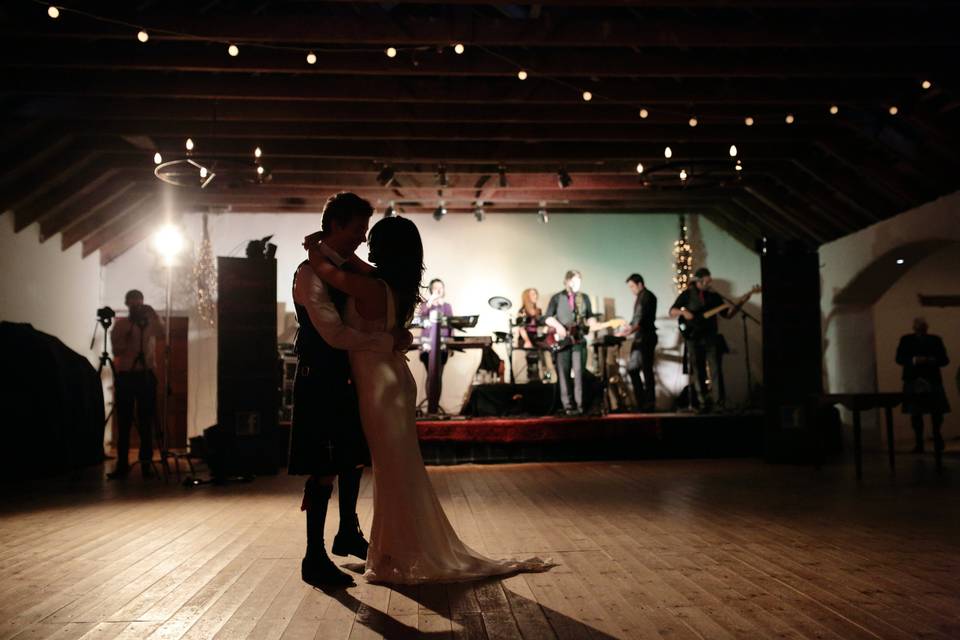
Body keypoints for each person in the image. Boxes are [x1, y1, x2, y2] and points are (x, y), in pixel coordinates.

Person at [305, 215, 551, 584]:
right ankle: (390, 551)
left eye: (373, 242)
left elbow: (332, 274)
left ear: (385, 249)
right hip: (389, 379)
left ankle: (400, 552)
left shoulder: (371, 287)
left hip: (380, 385)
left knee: (393, 472)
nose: (367, 248)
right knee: (394, 470)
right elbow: (356, 268)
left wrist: (315, 249)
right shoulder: (394, 283)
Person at [289, 192, 412, 588]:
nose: (362, 237)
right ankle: (314, 556)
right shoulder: (310, 274)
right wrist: (388, 341)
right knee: (324, 468)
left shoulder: (340, 267)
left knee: (352, 458)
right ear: (336, 224)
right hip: (320, 379)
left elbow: (358, 276)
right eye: (358, 228)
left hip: (347, 378)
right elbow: (334, 333)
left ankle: (346, 532)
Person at [107, 289, 165, 479]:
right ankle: (122, 463)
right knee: (124, 421)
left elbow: (163, 332)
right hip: (126, 374)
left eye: (139, 304)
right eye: (133, 304)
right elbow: (116, 350)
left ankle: (147, 464)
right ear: (127, 305)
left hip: (146, 374)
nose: (136, 307)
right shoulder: (121, 325)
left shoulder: (149, 324)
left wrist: (154, 314)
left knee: (146, 420)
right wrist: (129, 336)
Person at [669, 268, 731, 412]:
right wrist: (683, 311)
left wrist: (742, 301)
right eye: (706, 281)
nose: (709, 284)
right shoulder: (687, 294)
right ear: (699, 280)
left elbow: (726, 314)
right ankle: (703, 403)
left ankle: (719, 404)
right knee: (698, 371)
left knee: (715, 370)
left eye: (710, 281)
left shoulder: (714, 296)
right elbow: (672, 311)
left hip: (711, 337)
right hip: (693, 337)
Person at [545, 270, 596, 415]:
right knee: (563, 374)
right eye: (575, 281)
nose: (577, 284)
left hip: (579, 340)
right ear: (567, 281)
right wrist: (558, 326)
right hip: (563, 342)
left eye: (579, 281)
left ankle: (581, 406)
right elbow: (547, 317)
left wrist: (593, 323)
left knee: (579, 373)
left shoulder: (584, 298)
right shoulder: (557, 297)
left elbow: (590, 316)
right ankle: (568, 406)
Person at [896, 317, 950, 453]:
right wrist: (914, 360)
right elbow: (899, 358)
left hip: (932, 379)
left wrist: (932, 360)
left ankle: (937, 437)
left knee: (936, 411)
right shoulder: (906, 340)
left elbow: (944, 360)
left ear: (927, 327)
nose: (921, 327)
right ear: (913, 327)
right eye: (919, 325)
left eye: (923, 325)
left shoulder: (935, 339)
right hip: (913, 379)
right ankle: (919, 442)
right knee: (915, 413)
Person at [619, 274, 658, 411]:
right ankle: (642, 402)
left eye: (632, 286)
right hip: (640, 337)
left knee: (647, 370)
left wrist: (629, 330)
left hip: (646, 337)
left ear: (640, 284)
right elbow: (636, 319)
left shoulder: (647, 296)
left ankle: (649, 403)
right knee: (633, 369)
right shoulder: (641, 297)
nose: (631, 289)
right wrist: (628, 328)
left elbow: (644, 319)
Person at [417, 278, 453, 401]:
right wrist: (430, 302)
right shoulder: (426, 305)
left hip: (443, 346)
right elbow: (420, 315)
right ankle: (430, 406)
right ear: (431, 290)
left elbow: (451, 325)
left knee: (439, 376)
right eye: (435, 288)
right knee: (431, 375)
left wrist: (451, 345)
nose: (438, 290)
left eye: (440, 288)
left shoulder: (447, 307)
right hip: (427, 347)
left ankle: (435, 406)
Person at [517, 288, 544, 381]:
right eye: (533, 294)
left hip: (537, 339)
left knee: (540, 362)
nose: (535, 296)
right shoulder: (522, 311)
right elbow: (521, 328)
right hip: (526, 339)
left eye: (536, 294)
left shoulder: (538, 310)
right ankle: (531, 381)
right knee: (531, 362)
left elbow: (540, 327)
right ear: (527, 297)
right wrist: (527, 341)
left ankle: (538, 381)